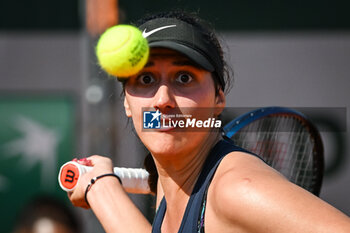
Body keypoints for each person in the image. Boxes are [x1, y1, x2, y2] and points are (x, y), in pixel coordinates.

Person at [67, 11, 350, 233]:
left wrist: (100, 187)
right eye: (146, 79)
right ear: (127, 103)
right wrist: (101, 187)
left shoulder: (237, 189)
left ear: (218, 98)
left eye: (184, 78)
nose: (162, 100)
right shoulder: (172, 191)